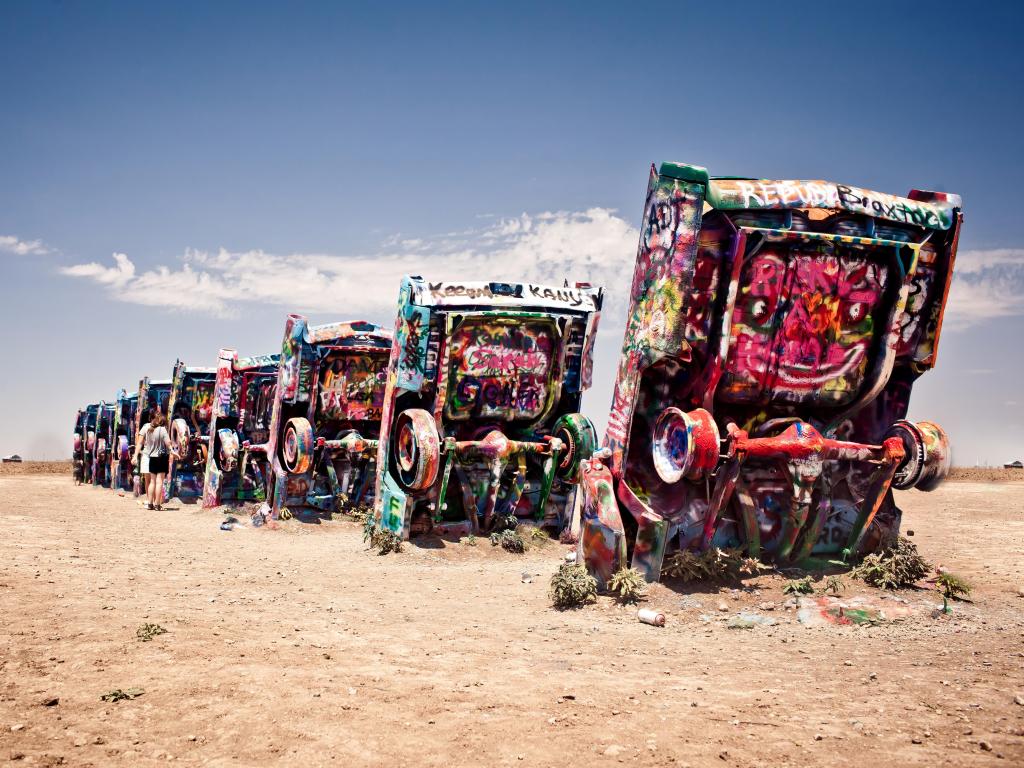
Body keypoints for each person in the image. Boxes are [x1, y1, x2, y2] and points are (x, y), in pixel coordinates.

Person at [143, 412, 179, 510]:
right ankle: (157, 504)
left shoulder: (149, 430)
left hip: (152, 458)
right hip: (161, 458)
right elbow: (168, 442)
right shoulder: (162, 430)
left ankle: (150, 503)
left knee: (152, 482)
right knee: (159, 482)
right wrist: (172, 451)